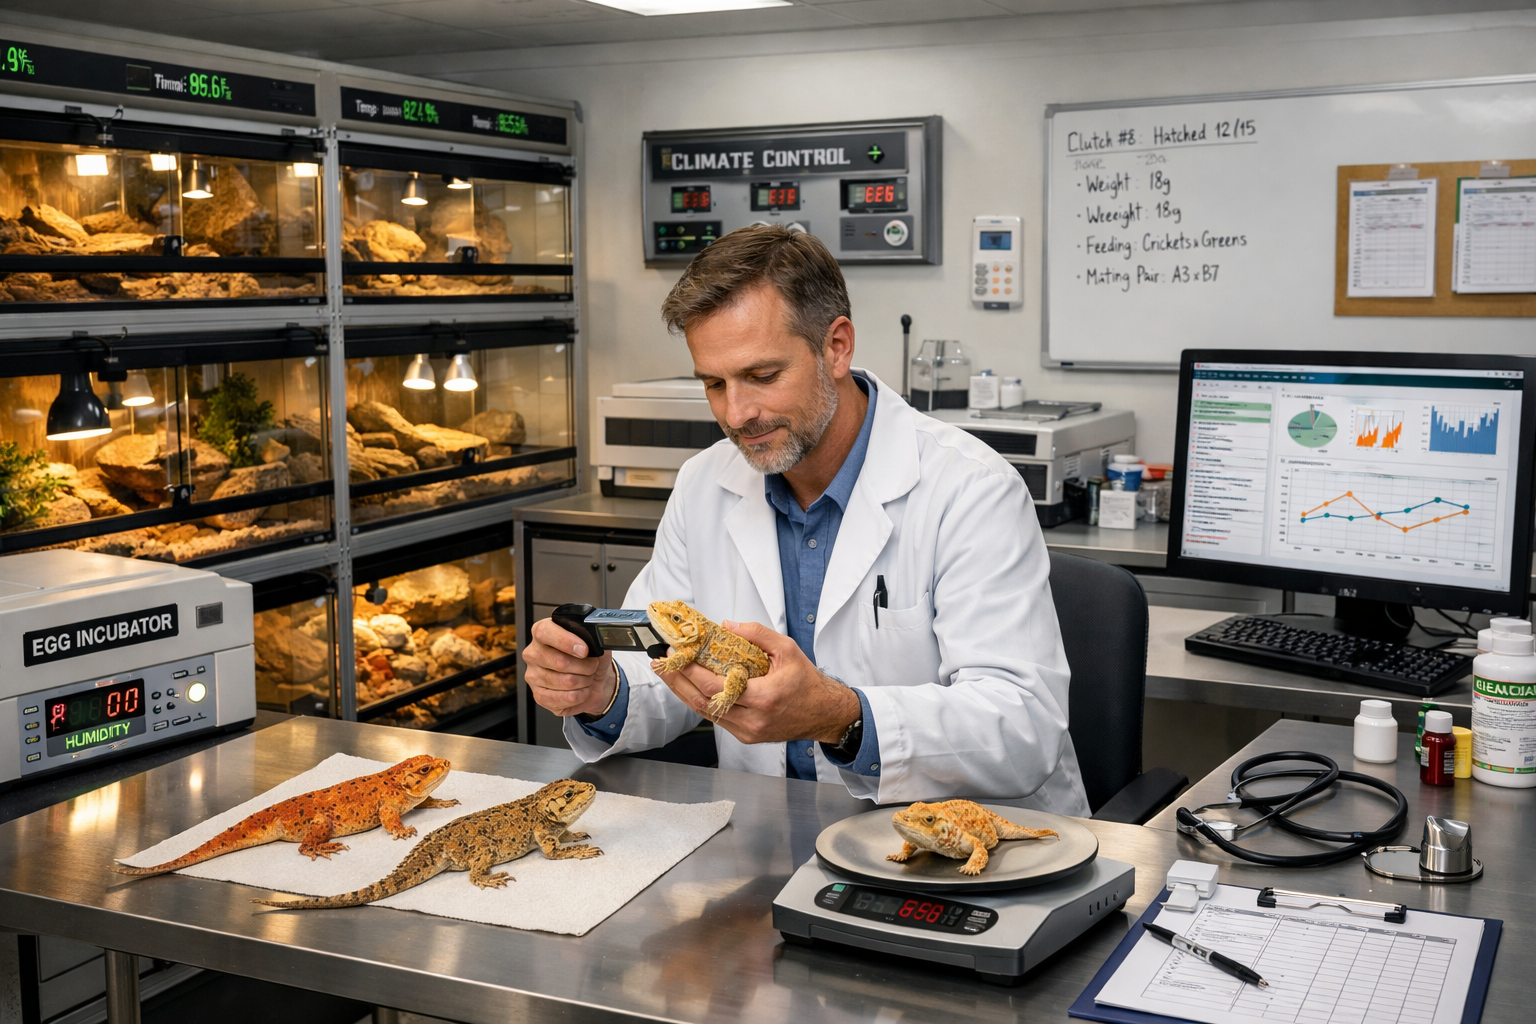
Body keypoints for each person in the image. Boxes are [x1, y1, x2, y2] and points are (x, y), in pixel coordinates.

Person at [522, 225, 1088, 811]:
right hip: (774, 839)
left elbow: (1024, 727)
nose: (737, 413)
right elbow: (666, 670)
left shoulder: (970, 488)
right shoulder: (704, 485)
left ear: (836, 347)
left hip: (967, 855)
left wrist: (841, 717)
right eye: (715, 383)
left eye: (762, 376)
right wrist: (599, 690)